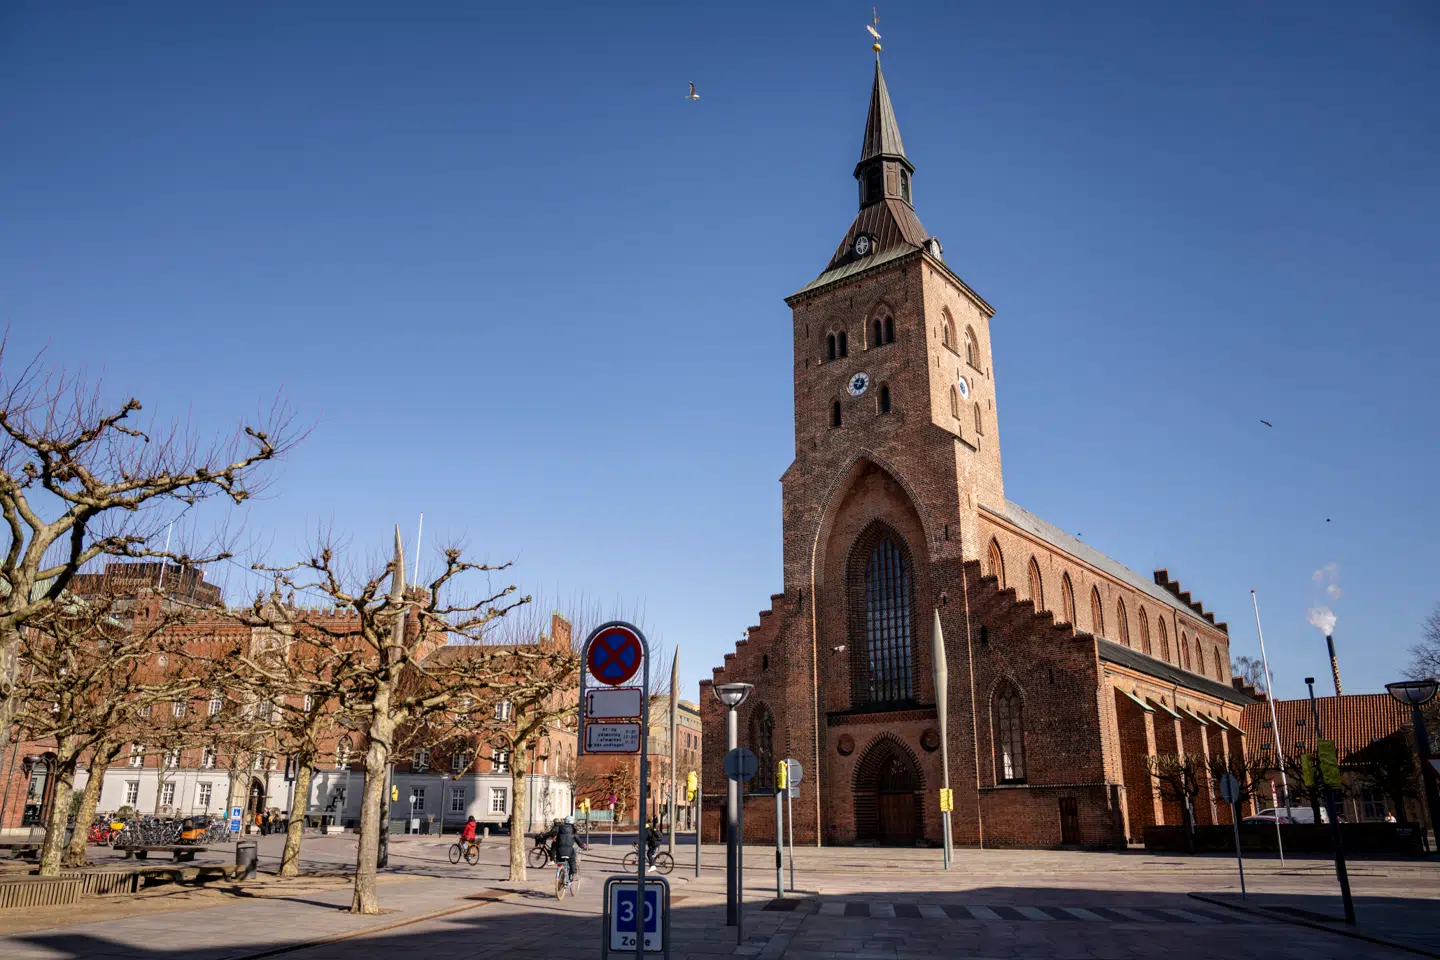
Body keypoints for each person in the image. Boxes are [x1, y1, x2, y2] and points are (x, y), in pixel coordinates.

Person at [555, 815, 581, 881]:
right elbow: (578, 840)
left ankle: (559, 872)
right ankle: (574, 873)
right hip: (569, 851)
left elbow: (557, 840)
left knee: (560, 861)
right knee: (572, 860)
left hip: (560, 851)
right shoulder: (573, 831)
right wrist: (582, 845)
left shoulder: (560, 830)